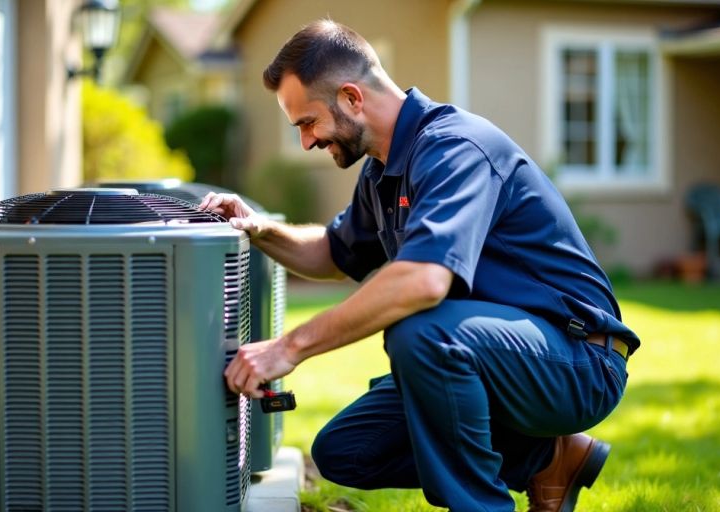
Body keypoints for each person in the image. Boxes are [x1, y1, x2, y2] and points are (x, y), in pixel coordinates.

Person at [201, 19, 639, 512]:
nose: (306, 142)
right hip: (493, 356)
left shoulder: (456, 148)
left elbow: (426, 281)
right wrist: (261, 229)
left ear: (351, 98)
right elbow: (333, 251)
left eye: (307, 123)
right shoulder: (383, 172)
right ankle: (544, 458)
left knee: (420, 330)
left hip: (578, 360)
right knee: (346, 451)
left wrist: (289, 347)